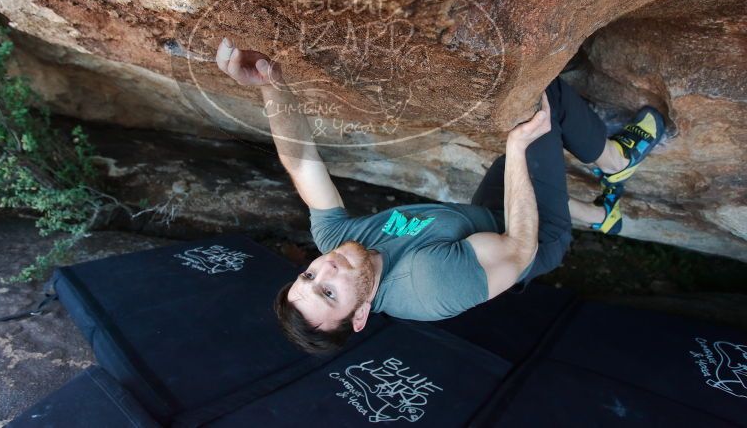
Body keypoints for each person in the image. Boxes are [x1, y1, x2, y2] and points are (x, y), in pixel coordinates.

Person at [215, 37, 665, 355]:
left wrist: (271, 86)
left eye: (308, 278)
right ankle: (615, 159)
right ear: (360, 317)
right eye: (330, 294)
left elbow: (300, 163)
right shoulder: (428, 287)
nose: (324, 269)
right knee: (540, 105)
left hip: (485, 218)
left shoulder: (338, 242)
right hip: (532, 237)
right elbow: (518, 248)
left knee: (528, 156)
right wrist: (516, 146)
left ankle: (601, 214)